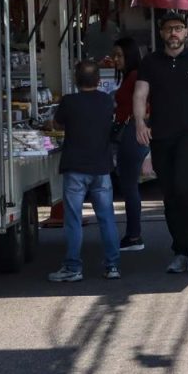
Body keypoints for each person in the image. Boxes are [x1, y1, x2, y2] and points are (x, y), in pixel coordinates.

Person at [134, 11, 188, 274]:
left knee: (185, 189)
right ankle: (179, 251)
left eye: (179, 28)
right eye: (169, 28)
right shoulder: (150, 62)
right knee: (170, 195)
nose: (174, 33)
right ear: (161, 33)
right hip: (160, 136)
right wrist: (139, 122)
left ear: (186, 32)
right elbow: (140, 94)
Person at [48, 60, 121, 282]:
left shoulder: (69, 102)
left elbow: (57, 125)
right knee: (106, 217)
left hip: (75, 167)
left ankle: (73, 267)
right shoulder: (107, 101)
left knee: (73, 218)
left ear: (75, 80)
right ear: (99, 80)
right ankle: (112, 266)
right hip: (101, 167)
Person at [111, 37, 149, 252]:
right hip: (132, 132)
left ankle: (134, 235)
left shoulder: (136, 76)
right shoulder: (132, 76)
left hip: (132, 133)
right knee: (129, 185)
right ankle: (133, 234)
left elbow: (146, 105)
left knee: (129, 185)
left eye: (119, 55)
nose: (115, 60)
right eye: (114, 55)